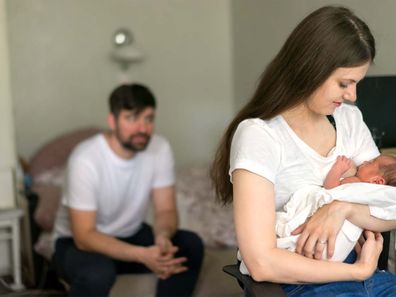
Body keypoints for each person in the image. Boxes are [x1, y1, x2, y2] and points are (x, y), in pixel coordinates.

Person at [211, 5, 396, 296]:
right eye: (344, 84)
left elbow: (390, 203)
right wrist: (357, 270)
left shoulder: (350, 119)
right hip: (300, 282)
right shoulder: (259, 136)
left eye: (356, 84)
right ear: (311, 69)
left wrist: (341, 208)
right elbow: (261, 262)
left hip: (368, 275)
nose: (352, 95)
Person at [52, 83, 204, 297]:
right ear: (112, 121)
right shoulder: (85, 159)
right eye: (132, 118)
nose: (142, 128)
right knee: (97, 274)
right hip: (77, 244)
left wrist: (162, 236)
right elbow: (84, 236)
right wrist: (141, 255)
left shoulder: (159, 148)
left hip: (130, 234)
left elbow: (165, 211)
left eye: (148, 118)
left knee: (190, 245)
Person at [324, 154, 396, 189]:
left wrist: (337, 169)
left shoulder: (356, 182)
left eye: (370, 163)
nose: (365, 162)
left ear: (376, 181)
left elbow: (331, 189)